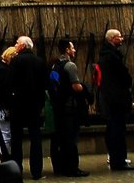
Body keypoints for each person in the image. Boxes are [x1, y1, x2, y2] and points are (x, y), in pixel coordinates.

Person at [10, 34, 50, 179]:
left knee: (16, 139)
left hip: (18, 105)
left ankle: (16, 170)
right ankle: (36, 171)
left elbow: (11, 82)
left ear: (23, 46)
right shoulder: (39, 62)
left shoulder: (16, 61)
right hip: (34, 105)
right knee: (36, 138)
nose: (15, 45)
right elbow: (46, 84)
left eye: (17, 43)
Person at [49, 37, 90, 179]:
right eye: (72, 48)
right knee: (72, 139)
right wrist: (84, 88)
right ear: (67, 50)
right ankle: (73, 168)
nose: (74, 50)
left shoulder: (56, 65)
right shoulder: (70, 66)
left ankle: (61, 166)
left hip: (59, 106)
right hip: (70, 107)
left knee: (62, 138)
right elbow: (76, 87)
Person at [97, 28, 134, 172]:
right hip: (117, 97)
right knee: (118, 129)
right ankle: (119, 160)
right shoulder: (113, 56)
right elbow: (123, 76)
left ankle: (116, 158)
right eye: (119, 37)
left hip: (110, 96)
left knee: (113, 128)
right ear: (112, 38)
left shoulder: (104, 56)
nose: (122, 39)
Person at [0, 44, 19, 163]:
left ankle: (5, 156)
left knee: (5, 134)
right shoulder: (3, 70)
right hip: (3, 107)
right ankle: (5, 157)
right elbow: (4, 89)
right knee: (5, 134)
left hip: (0, 106)